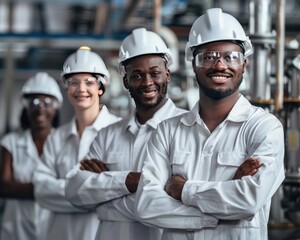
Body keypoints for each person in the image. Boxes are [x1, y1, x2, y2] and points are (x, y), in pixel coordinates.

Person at [134, 8, 285, 240]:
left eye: (230, 57)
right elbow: (146, 205)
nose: (220, 65)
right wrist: (218, 210)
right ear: (193, 65)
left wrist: (183, 190)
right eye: (208, 57)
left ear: (244, 64)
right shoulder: (167, 131)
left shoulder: (264, 128)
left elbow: (248, 201)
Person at [64, 27, 188, 240]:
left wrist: (104, 204)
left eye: (154, 73)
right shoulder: (108, 134)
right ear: (126, 81)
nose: (147, 82)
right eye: (137, 75)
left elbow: (184, 204)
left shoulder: (187, 128)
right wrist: (126, 181)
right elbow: (75, 191)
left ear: (167, 75)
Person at [32, 46, 121, 240]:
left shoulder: (120, 132)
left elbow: (122, 193)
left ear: (101, 87)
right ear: (66, 87)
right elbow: (41, 190)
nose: (81, 89)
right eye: (74, 82)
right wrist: (96, 190)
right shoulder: (57, 138)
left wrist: (67, 189)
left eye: (89, 82)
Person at [0, 72, 63, 240]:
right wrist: (50, 188)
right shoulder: (10, 142)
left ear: (56, 107)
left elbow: (70, 189)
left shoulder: (66, 142)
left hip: (53, 229)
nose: (40, 108)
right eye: (34, 102)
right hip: (15, 230)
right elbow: (4, 187)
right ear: (25, 107)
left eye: (47, 102)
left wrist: (21, 188)